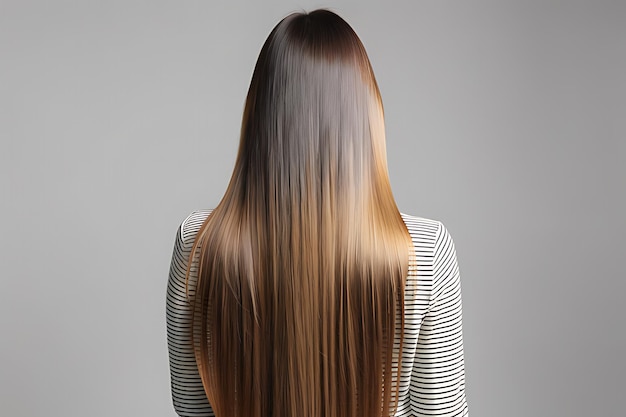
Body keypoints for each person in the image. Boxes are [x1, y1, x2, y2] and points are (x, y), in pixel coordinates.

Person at [166, 9, 469, 417]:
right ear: (366, 118)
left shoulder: (199, 245)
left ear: (259, 118)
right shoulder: (423, 252)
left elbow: (192, 411)